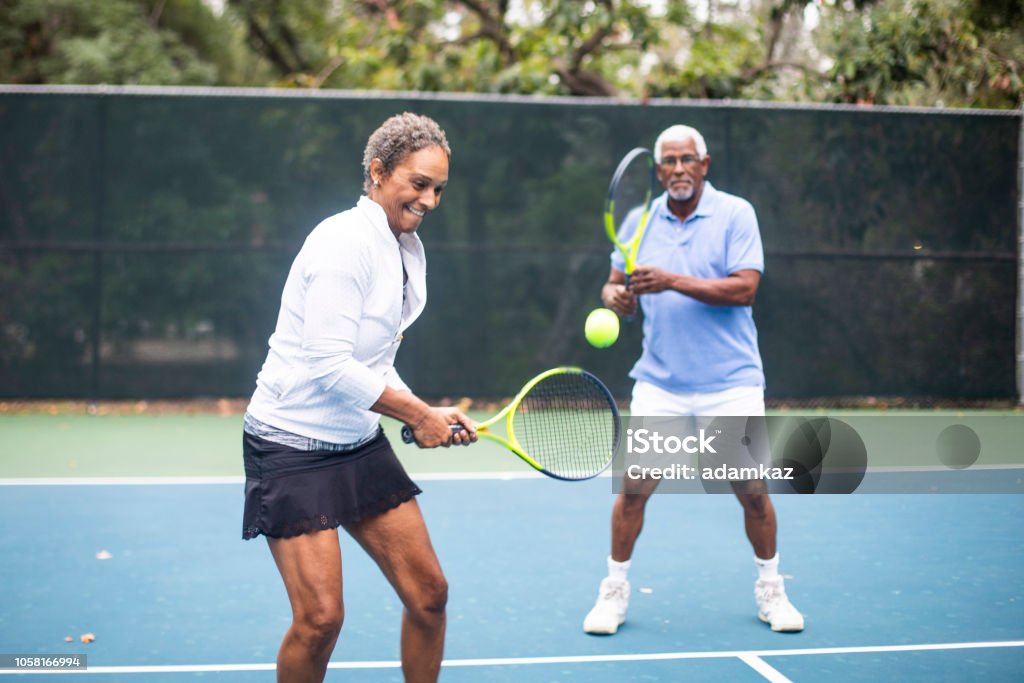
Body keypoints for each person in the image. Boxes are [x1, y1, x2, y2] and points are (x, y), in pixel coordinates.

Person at [241, 112, 477, 683]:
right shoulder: (343, 243)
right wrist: (416, 415)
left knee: (429, 596)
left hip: (355, 442)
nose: (430, 200)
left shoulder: (404, 248)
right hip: (290, 445)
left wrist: (428, 410)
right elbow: (327, 363)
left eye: (438, 189)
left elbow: (372, 360)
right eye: (418, 183)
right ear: (378, 172)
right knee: (320, 619)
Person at [583, 124, 804, 635]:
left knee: (750, 490)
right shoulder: (640, 221)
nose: (678, 169)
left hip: (732, 381)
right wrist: (614, 298)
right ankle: (613, 592)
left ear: (705, 164)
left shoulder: (735, 214)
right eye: (669, 162)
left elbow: (744, 289)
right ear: (658, 171)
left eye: (688, 160)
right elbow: (615, 285)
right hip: (660, 383)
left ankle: (772, 590)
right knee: (634, 490)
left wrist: (671, 280)